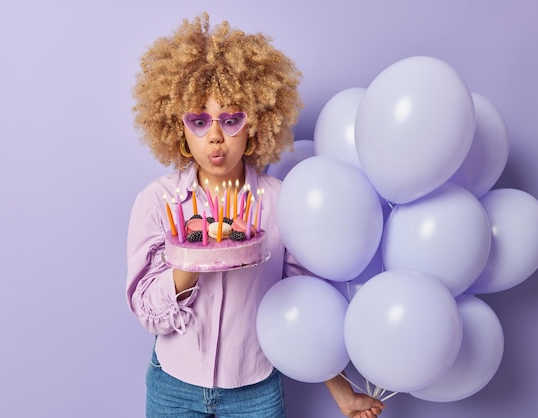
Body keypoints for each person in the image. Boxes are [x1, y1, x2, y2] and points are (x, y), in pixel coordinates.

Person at [126, 14, 385, 418]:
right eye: (199, 120)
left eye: (231, 120)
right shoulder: (158, 202)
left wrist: (343, 393)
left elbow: (303, 304)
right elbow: (148, 311)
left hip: (255, 389)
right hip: (173, 384)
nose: (215, 136)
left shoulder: (283, 203)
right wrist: (191, 261)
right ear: (178, 129)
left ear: (256, 125)